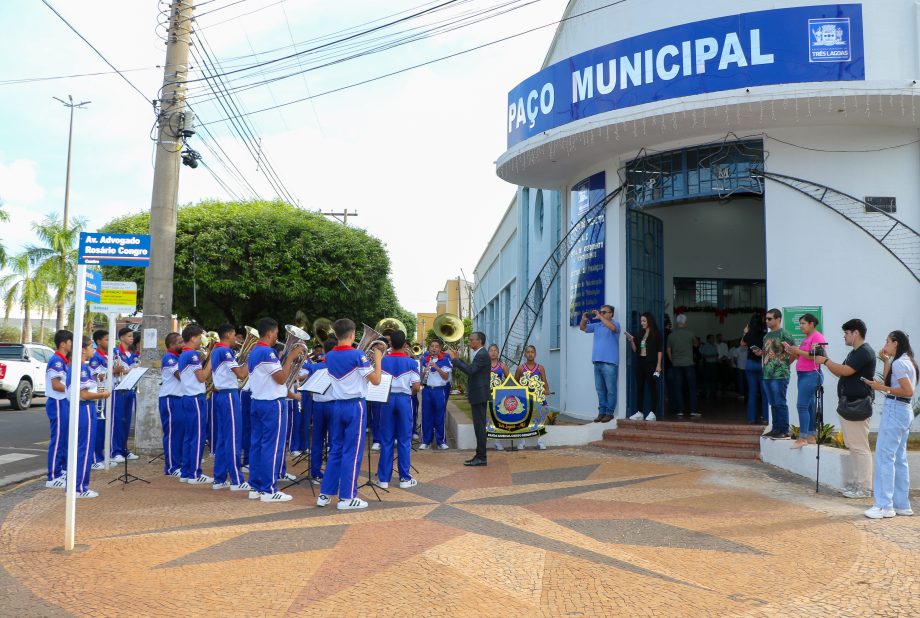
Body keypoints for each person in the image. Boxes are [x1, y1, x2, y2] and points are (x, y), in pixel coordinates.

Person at [316, 318, 383, 510]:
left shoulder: (329, 356)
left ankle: (325, 494)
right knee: (352, 452)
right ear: (353, 334)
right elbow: (376, 380)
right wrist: (377, 359)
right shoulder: (357, 355)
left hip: (337, 405)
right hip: (355, 406)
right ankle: (347, 497)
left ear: (336, 334)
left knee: (336, 450)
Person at [813, 319, 876, 499]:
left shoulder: (864, 352)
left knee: (860, 448)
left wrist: (825, 360)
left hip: (857, 405)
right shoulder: (855, 352)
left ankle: (864, 488)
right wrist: (827, 360)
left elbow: (845, 371)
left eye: (846, 333)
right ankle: (858, 484)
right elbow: (840, 371)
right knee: (853, 447)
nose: (844, 337)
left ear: (855, 333)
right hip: (849, 405)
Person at [247, 318, 301, 502]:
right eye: (277, 332)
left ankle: (255, 486)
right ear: (270, 333)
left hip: (257, 402)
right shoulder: (267, 353)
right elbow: (281, 378)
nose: (278, 336)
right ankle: (269, 490)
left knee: (257, 445)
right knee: (273, 446)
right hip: (272, 404)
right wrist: (291, 358)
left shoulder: (254, 351)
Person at [863, 331, 916, 519]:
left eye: (887, 341)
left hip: (895, 409)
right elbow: (891, 381)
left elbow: (907, 391)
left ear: (896, 342)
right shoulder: (904, 361)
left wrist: (881, 388)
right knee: (898, 458)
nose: (885, 344)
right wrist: (885, 361)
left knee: (885, 456)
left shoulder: (900, 363)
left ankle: (884, 506)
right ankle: (901, 505)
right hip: (903, 411)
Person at [375, 331, 420, 489]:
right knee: (404, 439)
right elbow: (416, 386)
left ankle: (383, 479)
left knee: (386, 439)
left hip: (386, 399)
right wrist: (409, 394)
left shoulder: (383, 361)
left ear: (390, 344)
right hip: (403, 399)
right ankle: (405, 478)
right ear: (404, 344)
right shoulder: (412, 363)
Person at [210, 324, 251, 491]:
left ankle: (219, 478)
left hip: (221, 395)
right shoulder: (225, 351)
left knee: (222, 438)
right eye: (234, 335)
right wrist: (250, 358)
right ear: (227, 335)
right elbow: (241, 374)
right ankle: (236, 480)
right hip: (228, 395)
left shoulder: (217, 351)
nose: (236, 338)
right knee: (233, 437)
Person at [71, 336, 110, 499]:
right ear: (83, 350)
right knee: (84, 449)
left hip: (82, 408)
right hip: (84, 408)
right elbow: (84, 394)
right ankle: (79, 487)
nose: (93, 350)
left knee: (81, 448)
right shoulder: (81, 368)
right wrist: (102, 395)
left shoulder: (78, 367)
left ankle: (75, 486)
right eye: (91, 347)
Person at [782, 314, 828, 448]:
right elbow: (803, 356)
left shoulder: (817, 337)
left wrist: (798, 350)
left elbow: (816, 355)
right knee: (809, 405)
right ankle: (811, 435)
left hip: (811, 374)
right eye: (800, 323)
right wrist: (793, 351)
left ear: (812, 324)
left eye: (803, 323)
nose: (800, 326)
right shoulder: (807, 338)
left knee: (801, 405)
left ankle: (802, 438)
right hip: (804, 374)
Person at [178, 324, 214, 485]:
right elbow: (202, 377)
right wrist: (212, 359)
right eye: (199, 337)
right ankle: (194, 473)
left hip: (188, 397)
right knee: (198, 436)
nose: (201, 340)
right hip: (194, 398)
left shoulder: (187, 354)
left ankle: (187, 471)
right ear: (192, 338)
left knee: (189, 436)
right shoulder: (191, 354)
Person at [447, 331, 490, 466]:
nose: (470, 342)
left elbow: (470, 370)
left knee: (480, 427)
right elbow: (472, 368)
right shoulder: (480, 354)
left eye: (472, 340)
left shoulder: (482, 355)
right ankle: (479, 455)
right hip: (478, 395)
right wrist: (458, 359)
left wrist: (455, 360)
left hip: (479, 396)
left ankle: (481, 457)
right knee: (479, 427)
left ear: (480, 341)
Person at [579, 305, 621, 422]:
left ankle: (609, 412)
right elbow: (583, 328)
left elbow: (612, 328)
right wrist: (583, 319)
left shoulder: (616, 324)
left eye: (604, 312)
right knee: (600, 390)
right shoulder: (597, 326)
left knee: (611, 390)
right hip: (597, 362)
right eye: (600, 312)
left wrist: (599, 317)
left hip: (609, 363)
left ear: (611, 314)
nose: (601, 314)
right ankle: (601, 412)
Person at [759, 309, 795, 439]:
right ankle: (775, 429)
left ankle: (784, 430)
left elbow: (794, 352)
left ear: (778, 319)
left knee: (780, 402)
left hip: (779, 375)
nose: (767, 321)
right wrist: (761, 353)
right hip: (767, 374)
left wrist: (785, 365)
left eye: (769, 319)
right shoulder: (766, 336)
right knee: (773, 403)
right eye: (766, 319)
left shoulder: (785, 334)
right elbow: (767, 352)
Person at [44, 330, 72, 489]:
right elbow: (56, 385)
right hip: (57, 402)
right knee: (58, 440)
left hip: (62, 402)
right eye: (70, 341)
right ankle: (53, 476)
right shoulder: (56, 361)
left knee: (63, 439)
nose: (72, 345)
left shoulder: (62, 360)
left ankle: (60, 471)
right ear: (63, 344)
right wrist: (72, 389)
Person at [307, 338, 337, 485]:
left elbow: (310, 390)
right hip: (333, 405)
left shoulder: (316, 367)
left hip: (318, 406)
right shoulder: (339, 366)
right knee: (334, 441)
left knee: (317, 440)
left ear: (324, 350)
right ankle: (332, 473)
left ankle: (315, 473)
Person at [627, 313, 662, 421]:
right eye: (641, 321)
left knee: (652, 388)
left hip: (650, 363)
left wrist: (659, 365)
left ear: (649, 321)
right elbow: (635, 349)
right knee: (640, 387)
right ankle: (639, 412)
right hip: (640, 363)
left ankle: (653, 412)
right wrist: (632, 340)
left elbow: (659, 350)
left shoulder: (656, 333)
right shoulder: (640, 333)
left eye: (644, 321)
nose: (642, 323)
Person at [111, 327, 139, 462]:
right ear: (121, 337)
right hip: (118, 389)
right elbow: (113, 370)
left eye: (132, 336)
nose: (132, 338)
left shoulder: (132, 353)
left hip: (130, 389)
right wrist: (127, 370)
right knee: (117, 421)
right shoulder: (115, 352)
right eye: (129, 336)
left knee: (126, 421)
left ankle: (124, 449)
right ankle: (115, 450)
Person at [514, 345, 550, 449]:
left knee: (540, 418)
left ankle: (540, 441)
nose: (530, 354)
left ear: (535, 353)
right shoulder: (520, 368)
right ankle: (522, 441)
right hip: (524, 398)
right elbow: (515, 383)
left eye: (532, 352)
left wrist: (547, 390)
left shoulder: (540, 368)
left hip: (538, 396)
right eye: (528, 352)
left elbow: (544, 381)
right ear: (525, 354)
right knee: (523, 419)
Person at [158, 332, 184, 476]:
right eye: (180, 342)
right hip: (170, 398)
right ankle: (171, 467)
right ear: (172, 345)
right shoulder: (169, 358)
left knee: (180, 433)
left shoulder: (178, 357)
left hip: (179, 398)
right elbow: (181, 376)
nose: (183, 344)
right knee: (172, 433)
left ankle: (179, 462)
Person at [419, 339, 452, 450]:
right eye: (432, 346)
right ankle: (425, 441)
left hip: (439, 390)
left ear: (440, 349)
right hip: (427, 390)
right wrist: (425, 370)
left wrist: (437, 367)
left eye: (436, 346)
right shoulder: (424, 360)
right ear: (428, 348)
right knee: (426, 415)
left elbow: (446, 377)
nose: (434, 348)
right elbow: (421, 378)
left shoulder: (445, 360)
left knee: (440, 416)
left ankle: (441, 441)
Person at [88, 329, 112, 470]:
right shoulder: (96, 356)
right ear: (98, 341)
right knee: (97, 429)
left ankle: (101, 456)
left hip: (105, 394)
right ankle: (95, 457)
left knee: (103, 428)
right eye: (106, 340)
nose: (109, 343)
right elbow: (98, 376)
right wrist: (113, 371)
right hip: (98, 395)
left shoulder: (107, 355)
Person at [667, 314, 698, 418]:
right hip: (689, 363)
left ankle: (680, 410)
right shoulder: (690, 334)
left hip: (676, 364)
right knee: (692, 387)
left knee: (678, 387)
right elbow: (696, 344)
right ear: (685, 322)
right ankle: (693, 411)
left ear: (677, 322)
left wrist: (673, 360)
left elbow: (668, 350)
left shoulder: (671, 335)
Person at [740, 314, 768, 425]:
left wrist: (745, 332)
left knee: (752, 392)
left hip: (750, 364)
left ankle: (751, 418)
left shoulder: (749, 334)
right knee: (764, 392)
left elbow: (742, 344)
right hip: (762, 364)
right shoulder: (765, 335)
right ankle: (766, 417)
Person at [487, 344, 510, 451]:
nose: (493, 352)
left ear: (498, 352)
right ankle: (485, 440)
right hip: (486, 395)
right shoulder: (484, 365)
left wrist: (504, 388)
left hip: (499, 397)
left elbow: (509, 380)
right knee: (487, 418)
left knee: (498, 418)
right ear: (488, 353)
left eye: (495, 350)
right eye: (491, 350)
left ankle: (497, 441)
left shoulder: (502, 366)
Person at [699, 335, 719, 402]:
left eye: (713, 338)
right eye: (712, 338)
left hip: (714, 364)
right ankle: (704, 393)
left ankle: (713, 393)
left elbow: (716, 354)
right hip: (707, 364)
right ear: (708, 339)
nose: (713, 339)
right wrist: (709, 356)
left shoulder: (715, 345)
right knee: (706, 379)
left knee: (714, 378)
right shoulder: (705, 346)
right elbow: (702, 354)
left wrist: (714, 356)